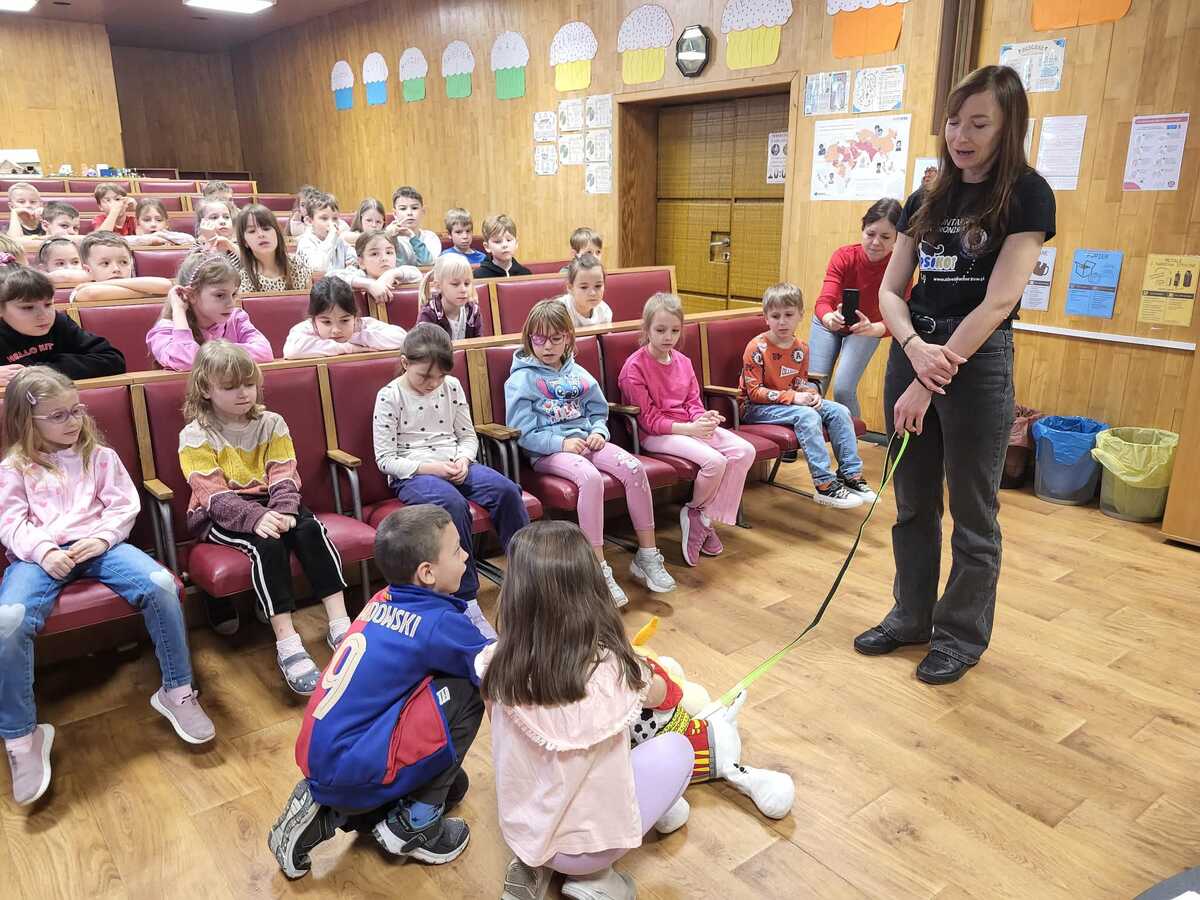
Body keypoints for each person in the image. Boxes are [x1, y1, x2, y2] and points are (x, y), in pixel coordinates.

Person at [853, 65, 1055, 685]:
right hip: (914, 350)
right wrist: (914, 348)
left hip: (976, 359)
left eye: (979, 124)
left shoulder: (1028, 194)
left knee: (973, 512)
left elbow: (998, 302)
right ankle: (910, 615)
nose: (961, 136)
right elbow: (891, 292)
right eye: (954, 121)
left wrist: (928, 375)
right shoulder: (926, 198)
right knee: (913, 501)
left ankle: (960, 635)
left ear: (1007, 127)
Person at [0, 367, 214, 805]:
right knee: (9, 621)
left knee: (161, 584)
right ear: (27, 421)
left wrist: (101, 538)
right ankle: (22, 738)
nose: (73, 421)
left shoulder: (99, 456)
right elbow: (11, 523)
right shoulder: (14, 468)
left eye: (76, 410)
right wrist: (44, 550)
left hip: (101, 546)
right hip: (39, 557)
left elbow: (123, 506)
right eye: (58, 415)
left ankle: (177, 692)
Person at [268, 504, 489, 878]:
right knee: (467, 687)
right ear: (427, 572)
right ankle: (416, 825)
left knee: (454, 786)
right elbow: (497, 669)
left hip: (325, 755)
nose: (466, 554)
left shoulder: (381, 599)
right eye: (456, 550)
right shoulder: (437, 622)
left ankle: (330, 809)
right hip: (357, 763)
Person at [481, 521, 694, 900]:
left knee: (543, 774)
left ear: (515, 593)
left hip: (524, 829)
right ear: (592, 590)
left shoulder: (493, 665)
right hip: (591, 849)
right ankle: (598, 880)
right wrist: (645, 666)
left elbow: (501, 736)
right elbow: (668, 695)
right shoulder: (617, 670)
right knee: (678, 749)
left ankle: (534, 862)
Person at [179, 341, 352, 691]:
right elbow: (212, 494)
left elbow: (284, 473)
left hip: (273, 500)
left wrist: (284, 510)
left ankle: (341, 625)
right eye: (230, 387)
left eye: (249, 384)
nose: (243, 393)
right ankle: (288, 643)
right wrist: (257, 518)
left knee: (310, 529)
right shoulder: (195, 434)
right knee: (267, 544)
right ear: (205, 389)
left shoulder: (272, 422)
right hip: (221, 512)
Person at [505, 300, 675, 607]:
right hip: (549, 451)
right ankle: (597, 569)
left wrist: (599, 432)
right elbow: (524, 433)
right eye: (539, 339)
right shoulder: (521, 379)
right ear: (529, 338)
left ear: (568, 338)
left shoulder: (579, 373)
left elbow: (598, 411)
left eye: (555, 338)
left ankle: (647, 555)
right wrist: (561, 443)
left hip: (587, 441)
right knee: (590, 478)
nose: (547, 346)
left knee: (633, 468)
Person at [373, 324, 527, 626]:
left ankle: (527, 576)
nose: (433, 384)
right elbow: (385, 459)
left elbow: (467, 436)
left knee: (507, 491)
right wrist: (432, 468)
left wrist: (464, 459)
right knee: (452, 505)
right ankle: (466, 598)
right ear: (405, 363)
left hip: (455, 463)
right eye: (424, 376)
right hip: (414, 472)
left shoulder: (452, 386)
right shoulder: (389, 395)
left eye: (440, 376)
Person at [618, 293, 755, 567]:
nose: (668, 337)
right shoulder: (634, 367)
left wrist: (703, 418)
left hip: (686, 425)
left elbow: (692, 402)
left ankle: (701, 517)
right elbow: (649, 421)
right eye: (660, 330)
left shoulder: (683, 361)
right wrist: (690, 428)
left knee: (744, 451)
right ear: (646, 329)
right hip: (656, 434)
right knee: (715, 461)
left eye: (674, 330)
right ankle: (697, 513)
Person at [740, 283, 875, 509]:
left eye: (789, 315)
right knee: (808, 416)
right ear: (766, 318)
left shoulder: (801, 348)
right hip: (755, 408)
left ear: (800, 315)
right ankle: (825, 484)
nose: (782, 322)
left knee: (840, 410)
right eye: (775, 316)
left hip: (787, 404)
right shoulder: (756, 347)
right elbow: (754, 393)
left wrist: (811, 394)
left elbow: (800, 383)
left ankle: (850, 475)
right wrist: (794, 398)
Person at [807, 198, 904, 419]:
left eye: (885, 237)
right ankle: (804, 436)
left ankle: (850, 441)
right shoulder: (844, 256)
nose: (876, 242)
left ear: (897, 239)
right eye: (870, 234)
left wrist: (875, 328)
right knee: (812, 388)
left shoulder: (899, 267)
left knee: (843, 388)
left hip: (867, 327)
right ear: (862, 230)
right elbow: (823, 302)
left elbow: (902, 317)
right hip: (829, 322)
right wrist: (829, 318)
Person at [0, 267, 125, 388]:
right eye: (28, 307)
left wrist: (39, 371)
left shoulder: (59, 323)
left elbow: (113, 360)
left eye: (48, 304)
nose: (43, 315)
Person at [147, 251, 271, 371]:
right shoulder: (164, 330)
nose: (231, 303)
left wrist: (208, 354)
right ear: (192, 295)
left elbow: (265, 352)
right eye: (220, 295)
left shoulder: (236, 318)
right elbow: (186, 360)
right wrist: (179, 310)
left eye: (233, 294)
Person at [283, 277, 407, 359]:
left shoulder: (362, 324)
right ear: (313, 319)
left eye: (344, 320)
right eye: (326, 322)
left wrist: (356, 337)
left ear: (355, 317)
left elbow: (402, 339)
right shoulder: (306, 329)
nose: (336, 330)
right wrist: (350, 348)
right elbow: (292, 351)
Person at [70, 231, 173, 303]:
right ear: (88, 270)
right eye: (105, 263)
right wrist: (151, 294)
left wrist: (102, 283)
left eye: (123, 262)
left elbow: (166, 286)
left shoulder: (87, 285)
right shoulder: (81, 291)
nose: (116, 269)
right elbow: (91, 294)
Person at [234, 204, 312, 292]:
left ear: (277, 233)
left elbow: (311, 298)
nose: (261, 235)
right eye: (252, 231)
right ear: (244, 241)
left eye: (266, 229)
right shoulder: (243, 280)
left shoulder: (297, 263)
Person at [327, 229, 421, 300]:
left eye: (389, 252)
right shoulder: (360, 274)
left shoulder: (398, 275)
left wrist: (391, 274)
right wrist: (369, 284)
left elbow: (418, 274)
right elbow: (330, 276)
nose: (384, 258)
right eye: (374, 254)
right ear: (361, 262)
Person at [416, 253, 482, 339]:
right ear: (438, 286)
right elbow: (424, 345)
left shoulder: (473, 310)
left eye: (467, 283)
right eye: (455, 284)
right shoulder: (429, 314)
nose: (463, 289)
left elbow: (479, 342)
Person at [296, 192, 356, 275]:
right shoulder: (305, 242)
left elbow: (353, 257)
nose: (331, 224)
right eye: (324, 218)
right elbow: (319, 267)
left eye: (335, 218)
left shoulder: (339, 241)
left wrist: (352, 265)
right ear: (309, 221)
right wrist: (331, 237)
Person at [556, 252, 612, 328]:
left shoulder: (604, 311)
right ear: (570, 287)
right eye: (584, 287)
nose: (592, 293)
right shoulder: (559, 312)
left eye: (598, 286)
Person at [389, 186, 441, 264]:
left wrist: (412, 237)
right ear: (395, 214)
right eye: (403, 209)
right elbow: (397, 266)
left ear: (423, 211)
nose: (409, 213)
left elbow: (427, 263)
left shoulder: (431, 237)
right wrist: (392, 239)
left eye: (414, 208)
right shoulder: (391, 238)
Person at [473, 214, 532, 278]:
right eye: (498, 241)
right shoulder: (478, 276)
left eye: (509, 240)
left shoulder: (525, 274)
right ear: (487, 247)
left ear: (516, 243)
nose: (504, 245)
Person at [129, 198, 194, 247]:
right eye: (147, 220)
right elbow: (124, 242)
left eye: (159, 220)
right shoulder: (135, 239)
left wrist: (161, 235)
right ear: (137, 223)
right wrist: (151, 239)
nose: (153, 224)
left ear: (166, 223)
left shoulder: (170, 236)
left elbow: (191, 240)